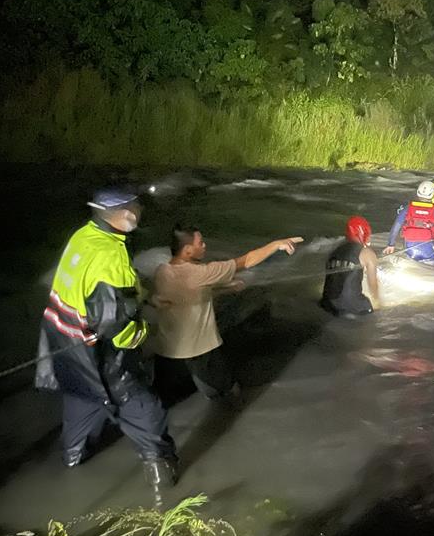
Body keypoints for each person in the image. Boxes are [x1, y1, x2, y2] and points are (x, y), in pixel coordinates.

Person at [35, 187, 178, 498]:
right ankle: (163, 490)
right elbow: (115, 326)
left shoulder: (84, 236)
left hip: (65, 347)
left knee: (80, 407)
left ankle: (71, 468)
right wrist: (142, 335)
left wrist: (143, 296)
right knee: (148, 413)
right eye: (136, 208)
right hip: (103, 357)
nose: (139, 212)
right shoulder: (111, 256)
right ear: (124, 214)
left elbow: (97, 292)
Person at [150, 226, 303, 404]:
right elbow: (246, 261)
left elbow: (185, 294)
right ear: (188, 250)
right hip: (198, 350)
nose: (205, 245)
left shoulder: (163, 271)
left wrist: (224, 288)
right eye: (201, 243)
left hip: (167, 350)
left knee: (169, 399)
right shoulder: (201, 273)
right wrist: (277, 244)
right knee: (226, 392)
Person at [320, 216, 380, 317]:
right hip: (354, 307)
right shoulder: (367, 253)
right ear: (364, 233)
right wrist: (378, 303)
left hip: (327, 305)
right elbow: (373, 284)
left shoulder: (334, 251)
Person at [383, 181, 434, 266]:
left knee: (412, 264)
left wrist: (391, 244)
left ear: (418, 193)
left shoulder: (407, 208)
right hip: (427, 245)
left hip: (409, 245)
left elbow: (396, 227)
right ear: (433, 194)